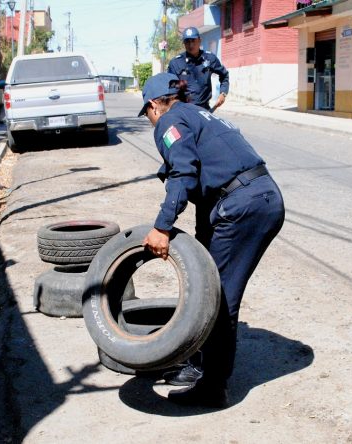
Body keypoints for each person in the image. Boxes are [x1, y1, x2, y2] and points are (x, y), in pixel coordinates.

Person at [138, 73, 285, 408]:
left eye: (146, 115)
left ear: (153, 106)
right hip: (257, 197)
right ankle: (197, 366)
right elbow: (209, 182)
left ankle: (213, 387)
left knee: (217, 297)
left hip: (243, 205)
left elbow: (184, 174)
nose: (149, 122)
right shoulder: (199, 113)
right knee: (211, 284)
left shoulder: (169, 121)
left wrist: (162, 226)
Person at [167, 27, 230, 112]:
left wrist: (223, 93)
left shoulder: (210, 58)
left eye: (193, 40)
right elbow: (171, 89)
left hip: (204, 110)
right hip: (183, 111)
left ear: (199, 40)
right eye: (187, 41)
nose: (190, 45)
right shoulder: (176, 63)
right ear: (184, 43)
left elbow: (224, 76)